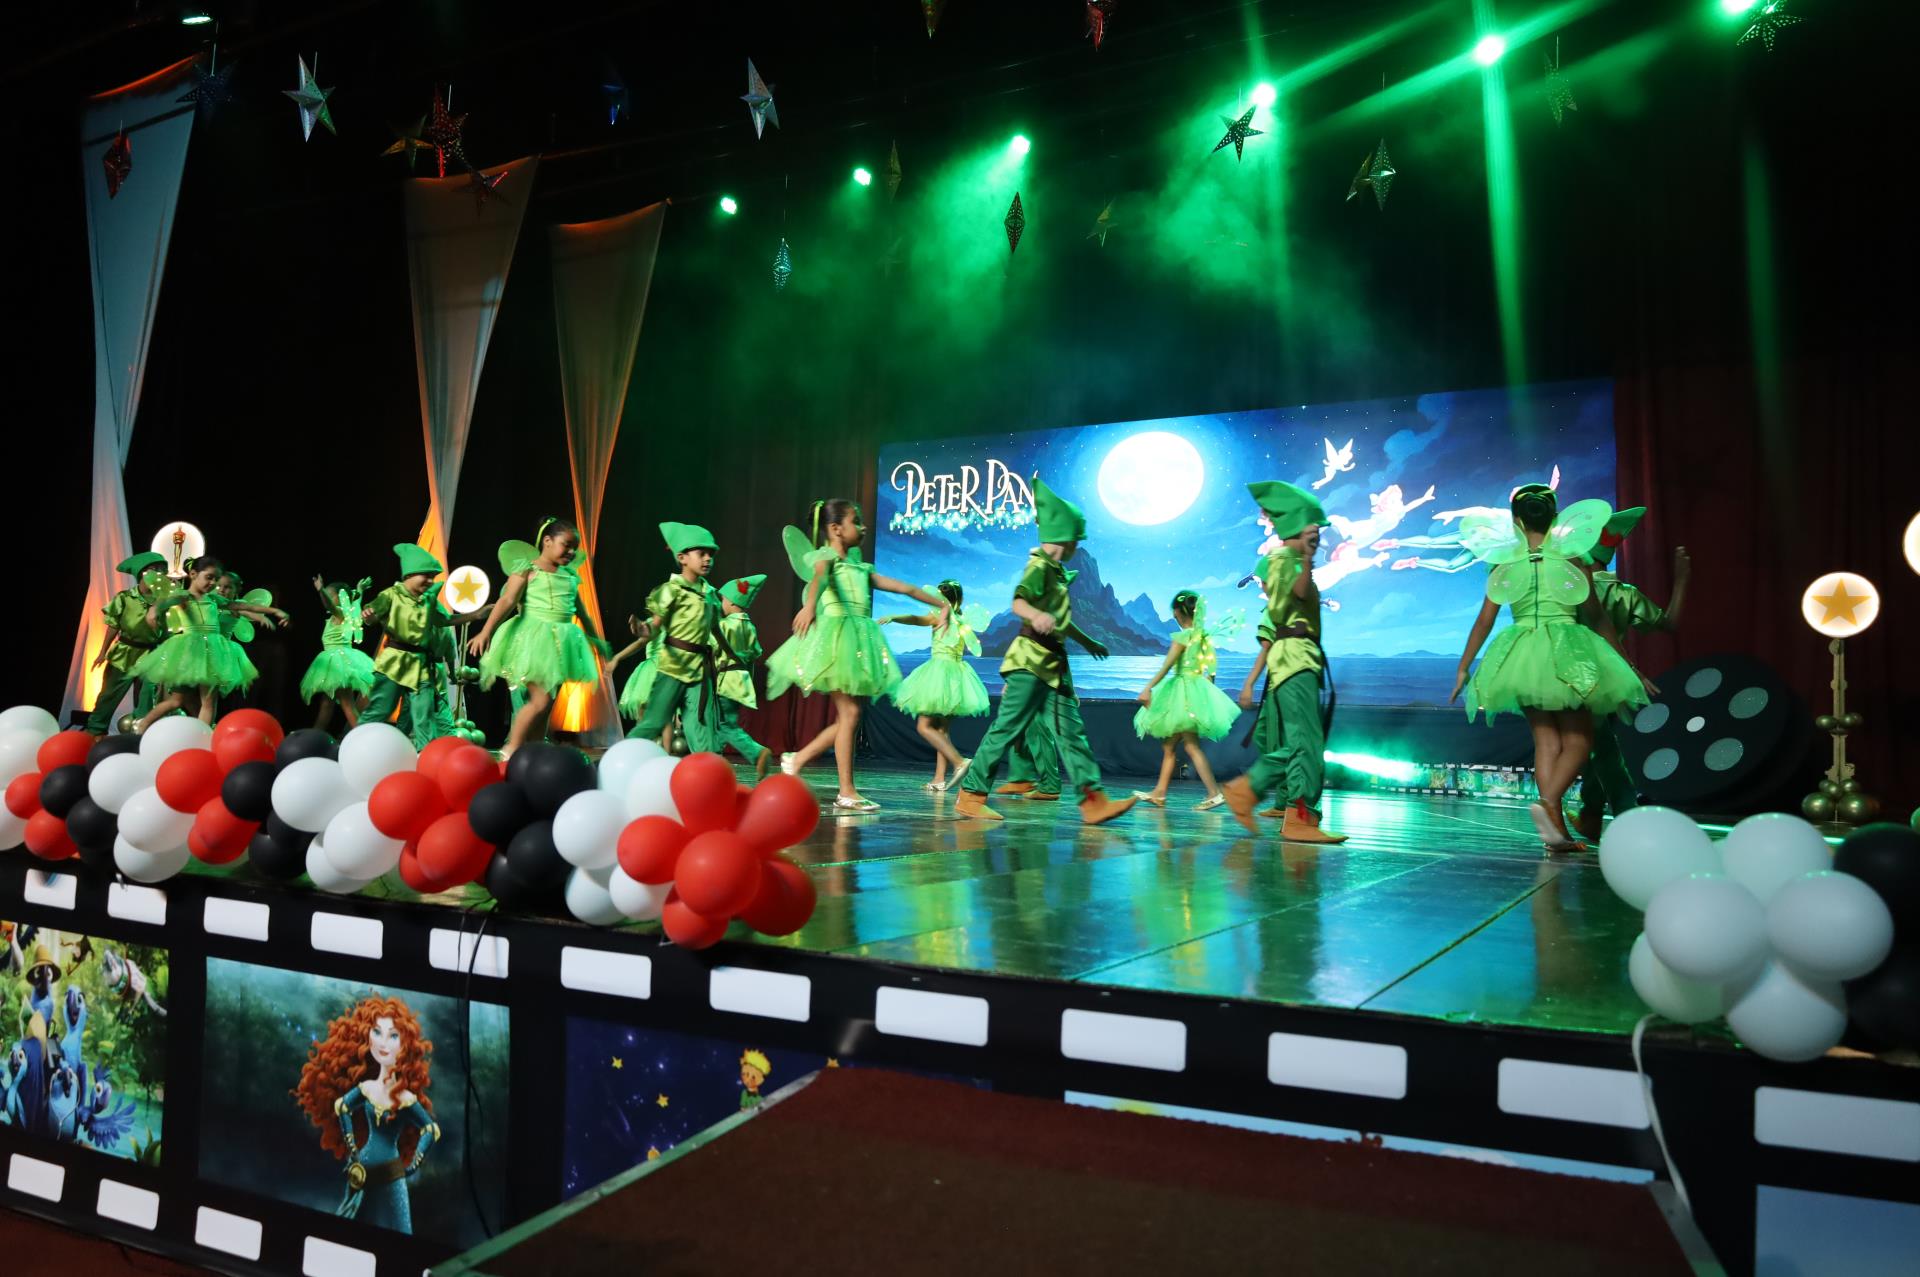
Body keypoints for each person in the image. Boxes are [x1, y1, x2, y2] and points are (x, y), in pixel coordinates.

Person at [1448, 485, 1656, 851]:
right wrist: (1630, 666)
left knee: (1546, 741)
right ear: (1556, 517)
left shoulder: (1504, 562)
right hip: (1566, 651)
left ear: (1516, 520)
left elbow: (1484, 620)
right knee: (1579, 739)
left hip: (1520, 653)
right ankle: (1548, 804)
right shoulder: (1572, 557)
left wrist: (1464, 667)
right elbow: (1596, 617)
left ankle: (1556, 833)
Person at [953, 476, 1136, 825]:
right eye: (1075, 539)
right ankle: (971, 795)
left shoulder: (1056, 572)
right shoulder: (1038, 567)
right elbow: (1019, 602)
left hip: (1054, 665)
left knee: (1071, 732)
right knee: (1008, 726)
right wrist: (1035, 615)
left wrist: (1088, 642)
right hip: (1031, 661)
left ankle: (1093, 801)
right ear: (1065, 537)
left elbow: (1062, 622)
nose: (1077, 546)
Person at [769, 500, 950, 813]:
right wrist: (810, 606)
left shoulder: (861, 569)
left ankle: (797, 760)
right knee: (850, 714)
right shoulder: (826, 559)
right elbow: (819, 580)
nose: (864, 527)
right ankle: (846, 791)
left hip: (858, 641)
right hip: (837, 641)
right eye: (857, 521)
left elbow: (904, 588)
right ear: (836, 529)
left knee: (848, 716)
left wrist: (942, 605)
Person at [1222, 482, 1344, 843]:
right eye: (1311, 526)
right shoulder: (1280, 560)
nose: (1317, 533)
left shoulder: (1288, 560)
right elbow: (1296, 595)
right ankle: (1293, 815)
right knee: (1305, 742)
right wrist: (1306, 558)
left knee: (1305, 741)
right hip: (1293, 657)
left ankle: (1253, 793)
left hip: (1301, 657)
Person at [1569, 508, 1690, 840]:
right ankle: (1592, 814)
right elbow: (1669, 623)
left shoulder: (1569, 590)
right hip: (1613, 678)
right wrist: (1682, 581)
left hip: (1574, 678)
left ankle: (1626, 815)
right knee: (1597, 745)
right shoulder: (1624, 593)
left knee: (1601, 749)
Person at [294, 996, 439, 1235]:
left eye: (393, 1035)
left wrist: (414, 1163)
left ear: (405, 1044)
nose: (383, 1042)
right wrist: (351, 1145)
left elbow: (431, 1129)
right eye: (377, 1032)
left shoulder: (405, 1098)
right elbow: (342, 1106)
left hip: (391, 1180)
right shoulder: (367, 1089)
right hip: (360, 1176)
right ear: (367, 1037)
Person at [471, 518, 608, 759]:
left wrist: (596, 640)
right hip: (534, 642)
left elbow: (581, 612)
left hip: (562, 645)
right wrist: (486, 631)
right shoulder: (528, 570)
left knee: (546, 705)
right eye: (566, 545)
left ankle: (534, 751)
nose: (571, 552)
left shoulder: (570, 576)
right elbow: (507, 600)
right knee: (540, 701)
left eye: (574, 547)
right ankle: (511, 747)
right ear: (547, 541)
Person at [132, 557, 287, 729]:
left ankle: (203, 736)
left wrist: (275, 611)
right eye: (209, 577)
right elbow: (165, 601)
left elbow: (243, 606)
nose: (213, 583)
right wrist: (154, 610)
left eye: (216, 579)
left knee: (208, 702)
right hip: (190, 653)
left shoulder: (214, 600)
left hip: (212, 654)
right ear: (193, 574)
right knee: (175, 701)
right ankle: (143, 725)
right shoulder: (184, 596)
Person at [1133, 590, 1239, 809]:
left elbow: (1166, 666)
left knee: (1190, 746)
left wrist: (1147, 688)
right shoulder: (1203, 637)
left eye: (1174, 612)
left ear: (1178, 612)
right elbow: (1211, 669)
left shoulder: (1183, 637)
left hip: (1183, 695)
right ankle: (1160, 793)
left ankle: (1214, 793)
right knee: (1170, 746)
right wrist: (1208, 690)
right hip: (1195, 692)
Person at [627, 522, 726, 753]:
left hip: (700, 670)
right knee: (654, 722)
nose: (708, 559)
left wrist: (728, 656)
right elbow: (655, 627)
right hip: (673, 667)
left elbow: (715, 631)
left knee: (701, 724)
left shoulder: (710, 594)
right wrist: (644, 630)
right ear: (682, 558)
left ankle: (708, 768)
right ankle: (619, 759)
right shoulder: (671, 591)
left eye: (711, 554)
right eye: (701, 553)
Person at [883, 580, 990, 792]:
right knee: (942, 730)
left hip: (939, 673)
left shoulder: (940, 616)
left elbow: (917, 619)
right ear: (960, 599)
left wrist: (895, 617)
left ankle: (959, 761)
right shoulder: (962, 621)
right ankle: (939, 779)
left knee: (924, 726)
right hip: (957, 676)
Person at [362, 544, 464, 749]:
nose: (430, 581)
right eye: (426, 576)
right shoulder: (392, 596)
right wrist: (369, 616)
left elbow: (445, 626)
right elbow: (371, 616)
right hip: (396, 663)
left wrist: (476, 616)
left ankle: (427, 755)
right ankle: (360, 745)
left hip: (423, 667)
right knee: (382, 710)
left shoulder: (430, 605)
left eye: (432, 577)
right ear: (409, 575)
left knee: (425, 717)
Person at [85, 552, 170, 736]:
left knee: (148, 696)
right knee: (109, 695)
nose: (158, 575)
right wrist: (102, 652)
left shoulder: (164, 602)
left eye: (162, 571)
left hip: (151, 655)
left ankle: (142, 734)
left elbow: (167, 631)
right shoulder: (124, 598)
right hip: (124, 653)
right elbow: (113, 626)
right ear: (142, 573)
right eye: (153, 570)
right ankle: (95, 732)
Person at [712, 574, 773, 779]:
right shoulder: (749, 626)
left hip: (726, 680)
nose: (721, 603)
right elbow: (755, 653)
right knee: (724, 722)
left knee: (723, 724)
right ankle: (715, 764)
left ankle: (756, 752)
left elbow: (713, 648)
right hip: (741, 682)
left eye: (722, 599)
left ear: (731, 602)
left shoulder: (725, 625)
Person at [300, 576, 378, 732]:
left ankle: (364, 736)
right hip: (334, 663)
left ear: (340, 597)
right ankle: (316, 735)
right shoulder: (346, 614)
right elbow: (356, 602)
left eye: (330, 595)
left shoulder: (340, 614)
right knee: (326, 704)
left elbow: (329, 605)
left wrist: (321, 591)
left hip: (338, 664)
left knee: (347, 704)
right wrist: (360, 590)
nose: (328, 598)